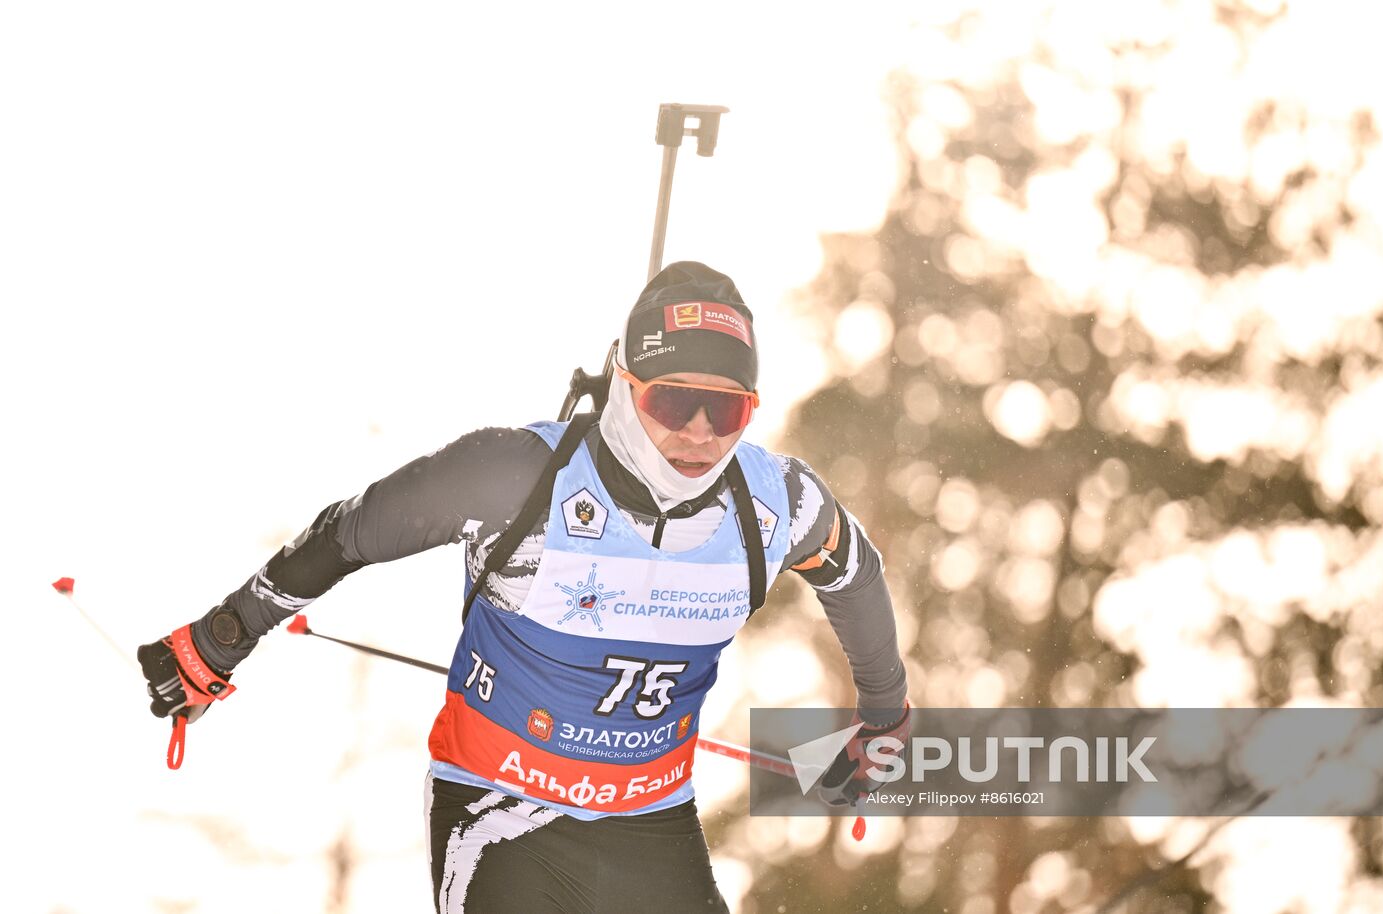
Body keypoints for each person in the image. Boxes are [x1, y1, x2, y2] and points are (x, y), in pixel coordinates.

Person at [138, 261, 910, 913]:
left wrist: (885, 714)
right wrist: (221, 639)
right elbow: (351, 532)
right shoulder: (515, 477)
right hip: (501, 811)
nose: (702, 432)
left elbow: (856, 573)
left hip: (649, 822)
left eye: (729, 407)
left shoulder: (776, 503)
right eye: (676, 401)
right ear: (625, 381)